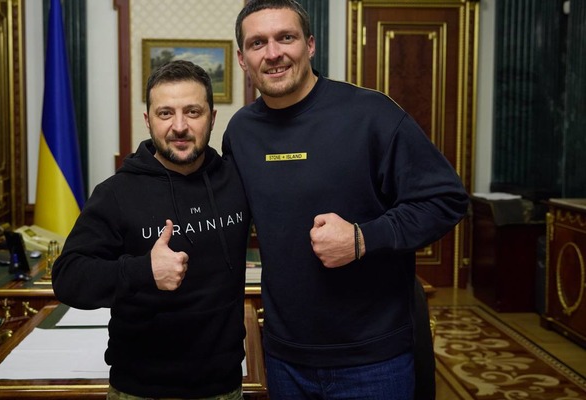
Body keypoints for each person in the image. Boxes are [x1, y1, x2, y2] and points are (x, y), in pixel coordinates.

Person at [223, 1, 469, 399]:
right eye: (257, 43)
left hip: (373, 359)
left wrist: (362, 238)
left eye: (286, 37)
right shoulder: (240, 132)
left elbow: (446, 199)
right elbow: (228, 220)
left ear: (310, 45)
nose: (273, 53)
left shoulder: (371, 113)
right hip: (286, 356)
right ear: (242, 58)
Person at [52, 60, 251, 400]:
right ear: (148, 120)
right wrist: (143, 271)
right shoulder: (116, 193)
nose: (179, 126)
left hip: (224, 387)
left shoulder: (236, 180)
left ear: (212, 117)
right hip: (140, 390)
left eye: (193, 112)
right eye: (165, 113)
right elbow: (68, 277)